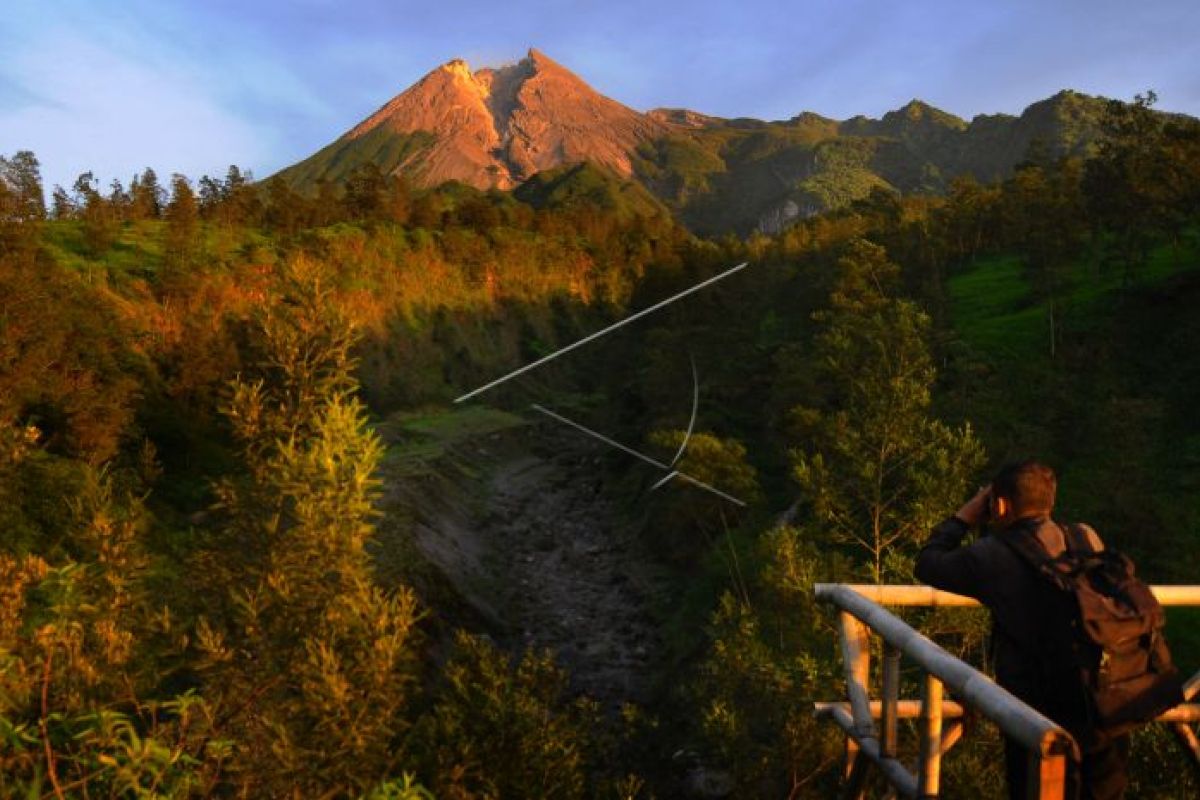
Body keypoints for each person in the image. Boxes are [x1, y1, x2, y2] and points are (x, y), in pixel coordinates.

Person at [914, 460, 1129, 800]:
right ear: (1050, 501)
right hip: (1102, 700)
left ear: (999, 505)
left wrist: (965, 517)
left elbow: (927, 563)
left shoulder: (991, 555)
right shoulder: (1086, 537)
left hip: (1031, 712)